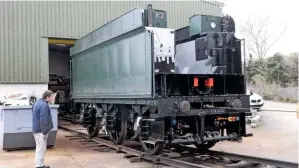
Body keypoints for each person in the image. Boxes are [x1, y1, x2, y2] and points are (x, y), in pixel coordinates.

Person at [32, 90, 54, 168]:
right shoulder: (44, 105)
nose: (52, 99)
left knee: (40, 148)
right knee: (40, 149)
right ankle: (39, 166)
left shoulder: (37, 102)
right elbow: (43, 120)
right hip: (40, 131)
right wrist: (44, 132)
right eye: (51, 97)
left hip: (36, 129)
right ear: (47, 97)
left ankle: (40, 165)